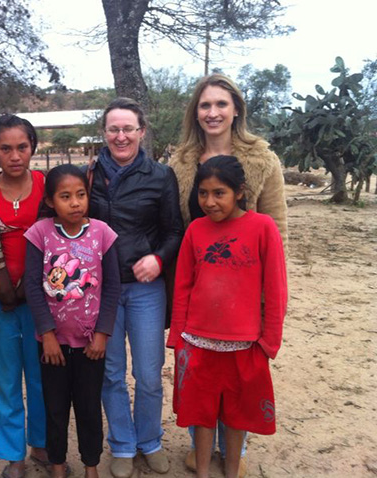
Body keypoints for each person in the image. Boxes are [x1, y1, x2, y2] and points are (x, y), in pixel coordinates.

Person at [168, 73, 288, 477]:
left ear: (236, 108)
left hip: (244, 296)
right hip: (201, 293)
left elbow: (276, 231)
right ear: (196, 112)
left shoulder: (262, 160)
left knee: (238, 389)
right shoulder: (181, 162)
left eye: (221, 104)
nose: (213, 112)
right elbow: (179, 231)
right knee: (201, 387)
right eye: (205, 105)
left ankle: (232, 454)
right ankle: (201, 455)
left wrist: (265, 309)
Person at [86, 97, 183, 478]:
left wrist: (158, 258)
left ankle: (150, 440)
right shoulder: (88, 175)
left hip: (146, 289)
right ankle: (122, 445)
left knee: (148, 372)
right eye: (114, 129)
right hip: (103, 291)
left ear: (142, 132)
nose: (121, 136)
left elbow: (175, 230)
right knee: (110, 373)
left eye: (129, 128)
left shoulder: (160, 176)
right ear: (104, 133)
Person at [24, 164, 121, 478]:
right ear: (51, 201)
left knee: (89, 408)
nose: (75, 202)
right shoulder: (39, 233)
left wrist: (103, 333)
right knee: (55, 408)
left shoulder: (103, 234)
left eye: (81, 194)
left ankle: (91, 465)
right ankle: (57, 464)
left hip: (91, 345)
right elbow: (32, 288)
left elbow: (113, 287)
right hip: (52, 346)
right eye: (65, 196)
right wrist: (47, 334)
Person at [0, 114, 48, 478]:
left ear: (33, 148)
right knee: (3, 377)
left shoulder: (50, 188)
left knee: (43, 375)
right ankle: (12, 453)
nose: (15, 156)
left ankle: (43, 444)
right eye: (6, 148)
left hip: (45, 303)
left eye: (22, 147)